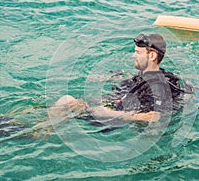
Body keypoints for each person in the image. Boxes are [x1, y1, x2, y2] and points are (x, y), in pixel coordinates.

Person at [48, 33, 183, 123]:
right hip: (112, 106)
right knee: (63, 104)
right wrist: (111, 78)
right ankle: (40, 127)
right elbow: (137, 84)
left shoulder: (160, 86)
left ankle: (40, 132)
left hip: (111, 118)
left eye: (137, 53)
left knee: (67, 101)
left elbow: (154, 117)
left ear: (152, 56)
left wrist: (108, 113)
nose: (133, 56)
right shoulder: (147, 76)